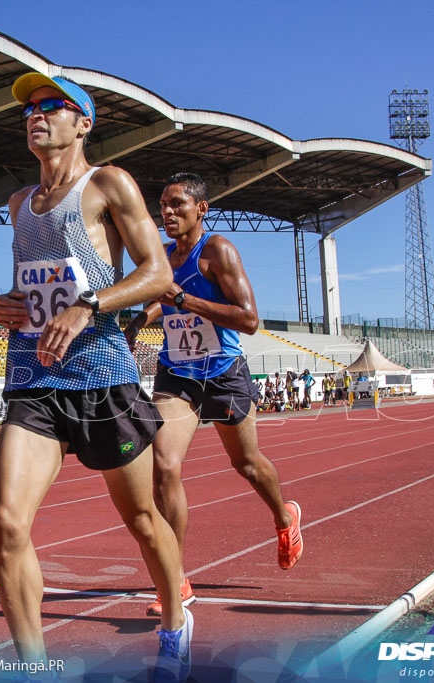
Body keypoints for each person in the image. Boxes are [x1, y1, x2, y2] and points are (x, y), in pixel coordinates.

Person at [0, 73, 191, 682]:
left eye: (53, 106)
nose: (37, 114)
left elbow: (157, 275)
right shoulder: (19, 203)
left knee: (142, 521)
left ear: (83, 123)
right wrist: (6, 304)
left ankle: (177, 623)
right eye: (30, 108)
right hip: (34, 374)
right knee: (7, 520)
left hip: (102, 375)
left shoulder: (108, 184)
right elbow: (32, 283)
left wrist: (90, 306)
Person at [124, 172, 304, 619]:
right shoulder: (163, 257)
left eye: (177, 204)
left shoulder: (218, 251)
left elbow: (248, 319)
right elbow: (162, 302)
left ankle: (284, 516)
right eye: (162, 204)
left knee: (246, 464)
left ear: (201, 209)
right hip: (178, 375)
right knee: (163, 463)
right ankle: (176, 579)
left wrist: (185, 301)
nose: (167, 212)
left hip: (223, 373)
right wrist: (137, 321)